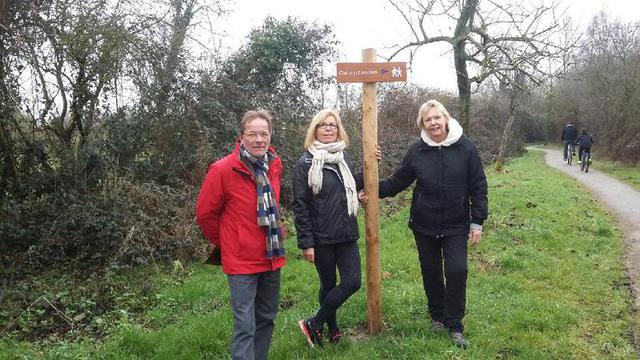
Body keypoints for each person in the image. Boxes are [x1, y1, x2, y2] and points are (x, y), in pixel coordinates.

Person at [375, 100, 488, 348]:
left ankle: (455, 324)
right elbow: (397, 182)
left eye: (437, 118)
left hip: (456, 224)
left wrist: (477, 221)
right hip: (424, 224)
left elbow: (478, 185)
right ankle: (438, 316)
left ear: (446, 119)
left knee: (457, 271)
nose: (433, 123)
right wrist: (370, 187)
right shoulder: (417, 150)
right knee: (431, 271)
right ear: (422, 125)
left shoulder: (465, 148)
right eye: (428, 120)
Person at [196, 110, 286, 360]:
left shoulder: (274, 164)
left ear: (270, 136)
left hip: (271, 255)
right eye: (253, 134)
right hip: (241, 262)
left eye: (264, 134)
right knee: (245, 326)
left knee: (266, 319)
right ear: (241, 136)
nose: (259, 139)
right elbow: (205, 214)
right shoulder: (223, 169)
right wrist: (229, 241)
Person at [293, 109, 369, 348]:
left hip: (346, 233)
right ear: (314, 129)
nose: (328, 128)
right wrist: (307, 242)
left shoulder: (343, 158)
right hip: (322, 237)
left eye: (332, 125)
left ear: (338, 130)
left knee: (352, 282)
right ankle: (332, 328)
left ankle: (314, 323)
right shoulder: (304, 164)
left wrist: (369, 169)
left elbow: (350, 183)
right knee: (328, 284)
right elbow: (301, 205)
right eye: (323, 125)